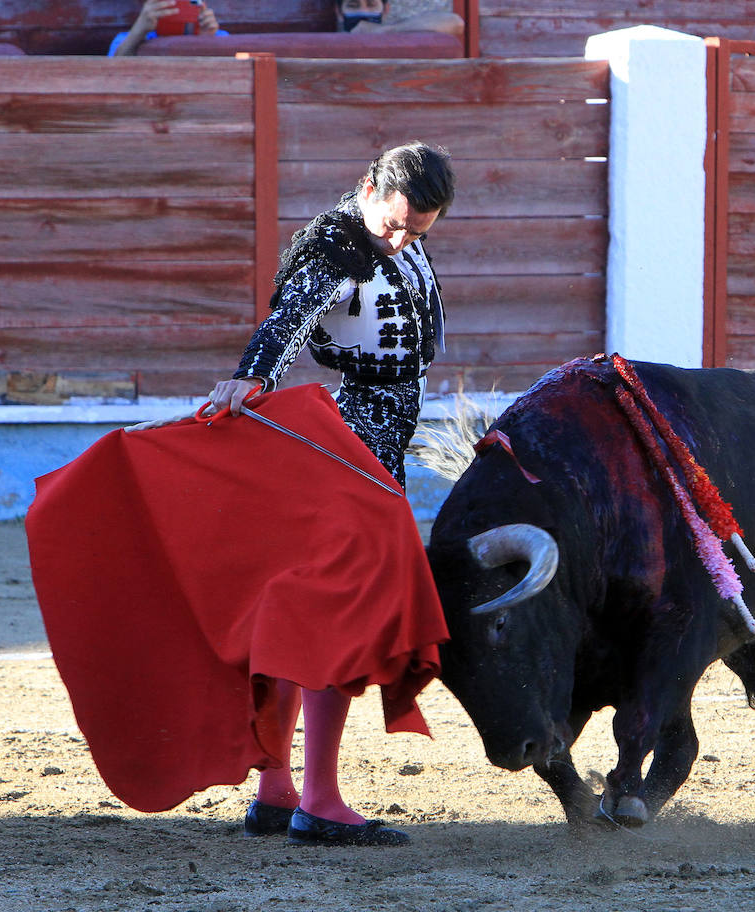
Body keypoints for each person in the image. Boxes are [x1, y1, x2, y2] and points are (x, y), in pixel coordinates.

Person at [208, 141, 455, 846]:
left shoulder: (388, 234)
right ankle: (318, 800)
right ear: (371, 186)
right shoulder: (337, 247)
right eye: (397, 224)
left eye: (419, 230)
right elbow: (286, 321)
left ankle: (280, 789)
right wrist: (252, 379)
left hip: (373, 439)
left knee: (304, 610)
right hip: (350, 445)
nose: (404, 238)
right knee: (339, 615)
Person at [108, 0, 224, 56]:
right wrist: (138, 32)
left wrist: (207, 42)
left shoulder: (219, 36)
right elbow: (110, 75)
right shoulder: (125, 40)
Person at [335, 0, 463, 39]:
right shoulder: (330, 43)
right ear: (339, 13)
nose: (364, 12)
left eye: (371, 5)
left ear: (385, 11)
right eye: (353, 6)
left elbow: (455, 23)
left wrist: (384, 31)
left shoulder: (394, 33)